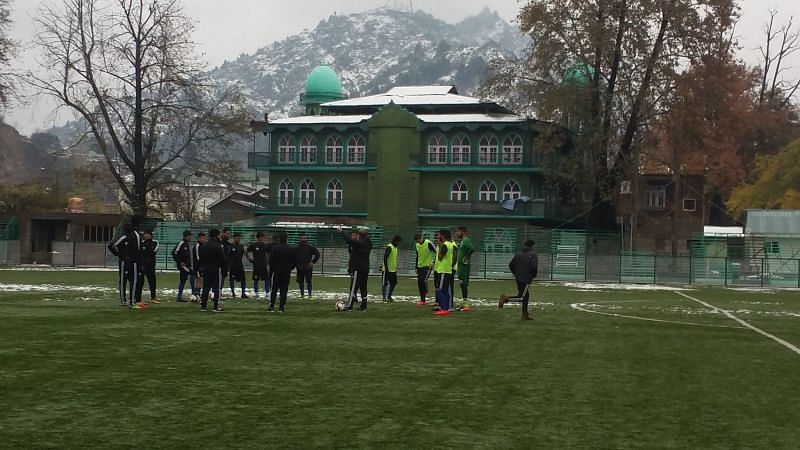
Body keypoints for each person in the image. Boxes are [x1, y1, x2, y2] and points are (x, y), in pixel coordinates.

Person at [108, 216, 144, 309]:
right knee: (132, 280)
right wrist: (121, 255)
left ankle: (127, 300)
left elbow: (112, 245)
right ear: (139, 224)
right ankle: (132, 302)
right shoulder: (134, 234)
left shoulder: (127, 234)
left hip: (127, 261)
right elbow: (138, 249)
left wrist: (121, 255)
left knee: (127, 280)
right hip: (132, 262)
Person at [499, 240, 539, 320]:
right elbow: (534, 267)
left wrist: (515, 273)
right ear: (532, 246)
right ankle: (506, 298)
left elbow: (510, 264)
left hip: (518, 278)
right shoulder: (533, 254)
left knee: (524, 296)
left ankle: (525, 315)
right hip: (526, 278)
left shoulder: (518, 253)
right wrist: (533, 275)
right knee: (523, 297)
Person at [340, 227, 372, 311]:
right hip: (365, 268)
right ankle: (364, 306)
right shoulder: (368, 242)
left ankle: (349, 306)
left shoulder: (361, 243)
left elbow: (350, 241)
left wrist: (341, 232)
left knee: (353, 288)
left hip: (358, 268)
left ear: (359, 235)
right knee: (363, 287)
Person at [198, 228, 226, 312]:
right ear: (216, 235)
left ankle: (203, 306)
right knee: (216, 288)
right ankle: (215, 306)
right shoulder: (218, 246)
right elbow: (223, 259)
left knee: (206, 287)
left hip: (206, 268)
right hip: (215, 269)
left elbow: (201, 258)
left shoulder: (204, 246)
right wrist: (223, 268)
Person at [267, 233, 295, 312]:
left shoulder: (275, 248)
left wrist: (271, 271)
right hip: (286, 272)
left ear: (279, 239)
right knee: (284, 289)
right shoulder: (290, 249)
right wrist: (290, 268)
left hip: (277, 271)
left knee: (274, 289)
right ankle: (281, 307)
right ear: (287, 239)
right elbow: (294, 261)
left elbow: (271, 261)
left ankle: (272, 305)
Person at [433, 229, 457, 316]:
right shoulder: (450, 244)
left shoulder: (444, 245)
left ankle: (443, 308)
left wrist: (439, 246)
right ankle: (446, 308)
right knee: (445, 290)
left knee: (441, 290)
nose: (438, 237)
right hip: (447, 270)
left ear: (443, 236)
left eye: (439, 235)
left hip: (443, 270)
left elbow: (440, 258)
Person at [294, 232, 320, 299]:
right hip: (299, 267)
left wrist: (313, 262)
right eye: (302, 238)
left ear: (306, 239)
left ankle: (310, 294)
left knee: (309, 281)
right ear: (299, 239)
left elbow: (317, 254)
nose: (303, 239)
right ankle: (302, 294)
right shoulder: (296, 248)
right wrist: (295, 264)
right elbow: (293, 256)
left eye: (304, 238)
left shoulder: (310, 247)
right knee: (300, 281)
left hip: (308, 267)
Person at [137, 228, 160, 304]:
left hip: (151, 265)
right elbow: (140, 253)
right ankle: (138, 298)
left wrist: (146, 249)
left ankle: (153, 297)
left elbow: (153, 252)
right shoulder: (141, 243)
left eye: (148, 234)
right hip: (142, 265)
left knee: (152, 281)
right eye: (145, 234)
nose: (146, 235)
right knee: (140, 282)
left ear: (151, 235)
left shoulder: (155, 242)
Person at [455, 226, 474, 312]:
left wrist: (467, 257)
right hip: (460, 267)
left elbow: (472, 249)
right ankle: (464, 303)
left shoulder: (466, 240)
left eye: (458, 232)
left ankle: (466, 304)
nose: (457, 233)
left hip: (464, 267)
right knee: (462, 285)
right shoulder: (463, 241)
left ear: (463, 232)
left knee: (464, 285)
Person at [413, 233, 436, 306]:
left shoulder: (428, 243)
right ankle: (423, 300)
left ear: (422, 237)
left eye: (419, 239)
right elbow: (417, 256)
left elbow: (437, 252)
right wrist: (416, 267)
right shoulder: (417, 245)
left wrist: (433, 262)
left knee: (423, 280)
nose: (418, 241)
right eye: (417, 241)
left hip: (427, 266)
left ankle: (425, 292)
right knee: (419, 282)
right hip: (420, 266)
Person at [172, 230, 193, 302]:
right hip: (183, 266)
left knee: (183, 280)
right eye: (189, 236)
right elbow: (174, 252)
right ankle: (195, 294)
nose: (190, 237)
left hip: (186, 265)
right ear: (186, 236)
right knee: (193, 274)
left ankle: (179, 297)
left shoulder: (186, 244)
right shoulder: (181, 243)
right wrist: (180, 262)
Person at [246, 232, 269, 298]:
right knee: (256, 280)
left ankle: (267, 293)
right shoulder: (253, 245)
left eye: (263, 237)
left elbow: (268, 253)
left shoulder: (265, 245)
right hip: (256, 265)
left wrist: (267, 259)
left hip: (263, 265)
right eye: (261, 237)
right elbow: (246, 251)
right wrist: (249, 259)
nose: (262, 239)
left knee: (266, 279)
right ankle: (256, 293)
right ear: (258, 238)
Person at [381, 235, 402, 302]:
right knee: (385, 283)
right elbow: (385, 257)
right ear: (395, 241)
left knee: (394, 283)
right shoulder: (389, 247)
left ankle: (389, 296)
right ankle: (384, 297)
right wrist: (386, 268)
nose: (398, 243)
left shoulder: (395, 248)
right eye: (398, 242)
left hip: (393, 270)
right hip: (387, 270)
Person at [228, 232, 248, 298]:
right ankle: (233, 292)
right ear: (234, 238)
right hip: (233, 266)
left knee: (243, 280)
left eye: (239, 238)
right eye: (237, 238)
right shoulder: (230, 246)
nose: (239, 239)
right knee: (232, 280)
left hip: (240, 265)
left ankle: (243, 293)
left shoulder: (241, 246)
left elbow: (243, 255)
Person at [191, 232, 207, 302]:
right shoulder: (197, 246)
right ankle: (196, 294)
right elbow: (197, 257)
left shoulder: (203, 245)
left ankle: (197, 294)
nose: (204, 240)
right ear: (199, 238)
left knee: (200, 280)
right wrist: (200, 266)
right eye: (203, 238)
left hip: (202, 266)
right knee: (199, 280)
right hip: (198, 267)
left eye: (205, 238)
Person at [220, 228, 232, 297]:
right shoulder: (219, 242)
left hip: (225, 265)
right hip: (219, 265)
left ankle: (219, 292)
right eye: (227, 233)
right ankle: (215, 293)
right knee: (218, 279)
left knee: (222, 280)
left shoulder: (228, 244)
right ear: (223, 233)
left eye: (229, 234)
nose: (229, 235)